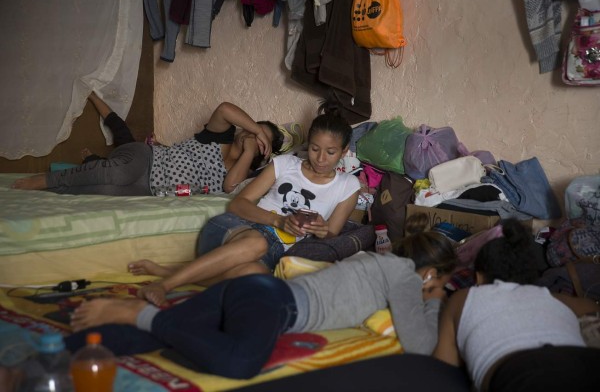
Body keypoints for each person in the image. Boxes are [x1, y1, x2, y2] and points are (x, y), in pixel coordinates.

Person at [66, 218, 458, 380]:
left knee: (158, 338)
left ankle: (50, 355)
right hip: (274, 304)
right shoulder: (404, 276)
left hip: (253, 292)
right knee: (240, 363)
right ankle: (141, 313)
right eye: (439, 280)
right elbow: (421, 346)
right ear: (429, 273)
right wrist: (436, 300)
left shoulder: (376, 261)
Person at [126, 100, 363, 306]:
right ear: (308, 144)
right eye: (314, 149)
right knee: (256, 242)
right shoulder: (285, 164)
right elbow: (237, 204)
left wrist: (322, 230)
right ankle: (165, 286)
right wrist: (278, 221)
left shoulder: (348, 186)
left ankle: (171, 272)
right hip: (237, 227)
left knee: (255, 275)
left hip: (273, 251)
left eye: (330, 152)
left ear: (343, 152)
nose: (320, 158)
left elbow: (332, 233)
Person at [433, 219, 600, 391]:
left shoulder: (463, 298)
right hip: (585, 362)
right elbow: (591, 307)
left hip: (521, 373)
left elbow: (440, 374)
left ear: (479, 277)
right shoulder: (556, 298)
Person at [11, 92, 284, 195]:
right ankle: (45, 179)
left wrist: (250, 152)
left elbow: (229, 186)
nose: (254, 137)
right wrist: (256, 130)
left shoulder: (242, 173)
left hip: (150, 189)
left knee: (99, 190)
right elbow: (224, 108)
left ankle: (76, 174)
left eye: (262, 140)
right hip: (147, 159)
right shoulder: (220, 136)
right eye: (255, 130)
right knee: (116, 172)